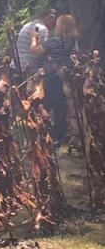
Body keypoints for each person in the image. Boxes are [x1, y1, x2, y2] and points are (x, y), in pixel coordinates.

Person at [30, 13, 80, 147]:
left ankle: (44, 133)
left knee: (46, 103)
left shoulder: (56, 40)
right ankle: (60, 134)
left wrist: (34, 38)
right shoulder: (74, 42)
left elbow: (35, 51)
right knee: (60, 105)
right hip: (65, 78)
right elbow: (74, 57)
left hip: (52, 77)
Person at [13, 9, 56, 74]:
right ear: (50, 17)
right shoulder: (43, 29)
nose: (54, 25)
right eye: (54, 21)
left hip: (15, 65)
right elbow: (43, 51)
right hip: (29, 68)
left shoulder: (26, 25)